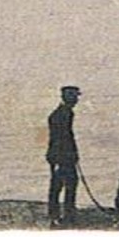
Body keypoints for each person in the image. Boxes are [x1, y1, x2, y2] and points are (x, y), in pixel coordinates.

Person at [47, 85, 81, 225]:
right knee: (68, 184)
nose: (76, 100)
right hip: (63, 156)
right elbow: (64, 137)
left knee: (58, 185)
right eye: (74, 96)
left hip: (59, 155)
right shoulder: (64, 114)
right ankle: (67, 215)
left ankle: (56, 214)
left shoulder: (61, 113)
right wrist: (71, 154)